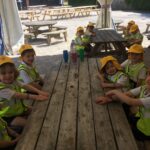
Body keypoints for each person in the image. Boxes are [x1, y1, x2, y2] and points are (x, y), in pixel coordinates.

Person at [96, 68, 150, 140]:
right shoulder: (145, 87)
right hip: (141, 117)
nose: (149, 79)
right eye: (149, 74)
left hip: (147, 129)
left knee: (125, 134)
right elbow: (128, 94)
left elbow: (131, 101)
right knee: (129, 119)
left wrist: (115, 91)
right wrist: (109, 99)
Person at [0, 56, 48, 128]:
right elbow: (20, 95)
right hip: (8, 117)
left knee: (39, 111)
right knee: (33, 124)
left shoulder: (14, 81)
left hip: (20, 109)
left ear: (14, 72)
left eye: (10, 72)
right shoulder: (2, 89)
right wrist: (37, 97)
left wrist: (39, 91)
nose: (8, 75)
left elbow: (25, 86)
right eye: (3, 73)